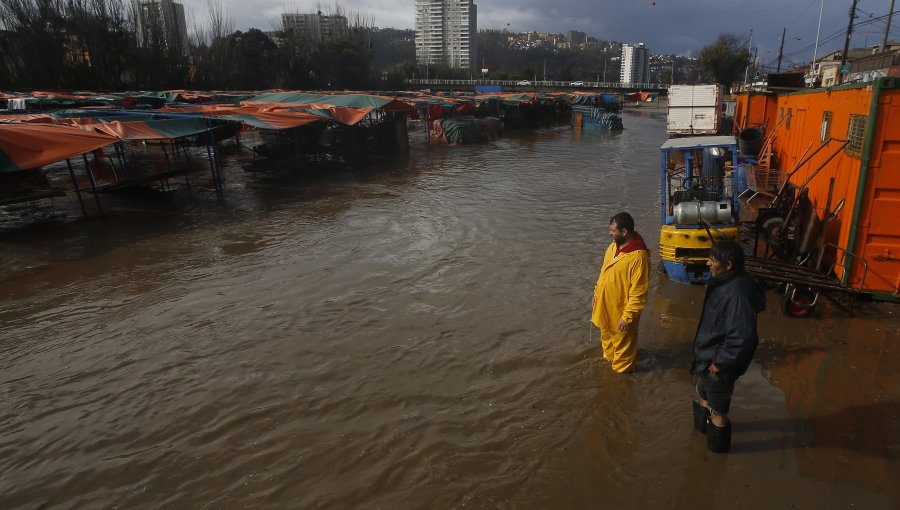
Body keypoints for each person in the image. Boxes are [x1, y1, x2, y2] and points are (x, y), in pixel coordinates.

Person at [690, 240, 766, 453]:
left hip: (717, 362)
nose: (708, 264)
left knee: (718, 410)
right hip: (707, 355)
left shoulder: (737, 294)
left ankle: (716, 454)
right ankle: (700, 436)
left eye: (712, 261)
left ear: (729, 265)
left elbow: (743, 338)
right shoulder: (726, 280)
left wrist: (719, 363)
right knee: (704, 394)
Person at [590, 212, 650, 373]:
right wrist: (596, 294)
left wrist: (627, 316)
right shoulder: (612, 248)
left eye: (613, 230)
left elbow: (639, 291)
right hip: (605, 310)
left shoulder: (639, 257)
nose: (610, 233)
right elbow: (603, 274)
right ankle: (608, 372)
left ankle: (621, 385)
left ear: (624, 232)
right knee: (607, 347)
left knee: (623, 359)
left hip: (621, 315)